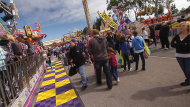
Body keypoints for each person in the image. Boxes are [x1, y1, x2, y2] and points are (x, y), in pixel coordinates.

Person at [171, 21, 190, 86]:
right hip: (179, 56)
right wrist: (184, 44)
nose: (181, 27)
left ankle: (188, 80)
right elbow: (172, 44)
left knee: (188, 71)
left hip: (188, 56)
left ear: (188, 27)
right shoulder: (177, 36)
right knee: (185, 71)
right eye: (180, 25)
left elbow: (188, 47)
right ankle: (188, 81)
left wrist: (178, 45)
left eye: (183, 25)